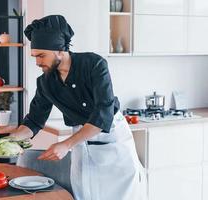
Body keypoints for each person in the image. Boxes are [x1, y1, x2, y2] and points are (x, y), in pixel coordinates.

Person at [8, 15, 146, 200]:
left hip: (114, 146)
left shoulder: (94, 65)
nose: (37, 62)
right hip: (82, 147)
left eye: (42, 55)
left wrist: (66, 144)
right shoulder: (46, 82)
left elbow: (102, 116)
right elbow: (34, 120)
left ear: (59, 50)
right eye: (35, 56)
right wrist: (10, 140)